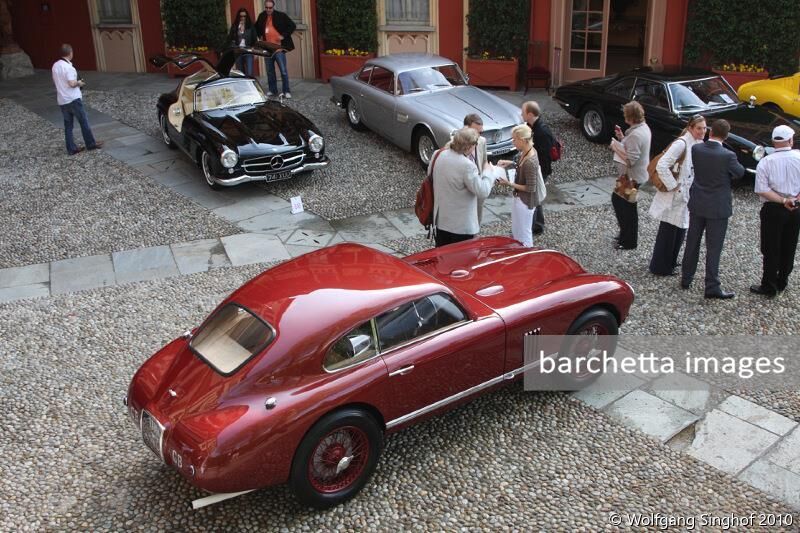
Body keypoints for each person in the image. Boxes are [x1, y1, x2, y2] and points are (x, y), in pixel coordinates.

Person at [680, 119, 745, 299]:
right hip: (717, 206)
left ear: (710, 132)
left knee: (692, 242)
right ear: (726, 135)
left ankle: (686, 278)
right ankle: (711, 285)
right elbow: (739, 172)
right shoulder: (728, 156)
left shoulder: (697, 149)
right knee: (713, 247)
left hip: (698, 202)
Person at [647, 115, 707, 275]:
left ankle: (671, 262)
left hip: (686, 196)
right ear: (690, 128)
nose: (702, 131)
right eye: (699, 128)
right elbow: (662, 165)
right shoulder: (681, 144)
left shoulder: (697, 143)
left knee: (679, 230)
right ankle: (660, 266)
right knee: (668, 231)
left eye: (704, 128)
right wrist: (673, 186)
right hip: (675, 195)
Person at [750, 124, 800, 297]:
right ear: (790, 140)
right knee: (789, 245)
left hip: (773, 208)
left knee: (770, 248)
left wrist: (783, 200)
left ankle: (769, 285)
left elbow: (762, 190)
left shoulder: (765, 162)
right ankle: (782, 281)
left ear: (774, 142)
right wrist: (794, 199)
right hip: (795, 208)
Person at [431, 128, 495, 247]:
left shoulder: (437, 154)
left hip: (441, 220)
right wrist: (488, 172)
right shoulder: (467, 166)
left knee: (442, 258)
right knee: (460, 261)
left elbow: (431, 176)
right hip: (461, 227)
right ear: (469, 146)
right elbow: (483, 191)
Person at [610, 101, 651, 250]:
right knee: (624, 205)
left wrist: (615, 146)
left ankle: (628, 241)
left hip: (631, 177)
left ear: (630, 117)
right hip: (636, 176)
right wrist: (622, 138)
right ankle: (625, 236)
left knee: (625, 208)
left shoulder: (636, 135)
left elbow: (630, 160)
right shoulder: (643, 128)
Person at [51, 43, 102, 155]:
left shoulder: (55, 65)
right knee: (83, 121)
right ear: (70, 53)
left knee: (68, 125)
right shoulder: (69, 68)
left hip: (62, 99)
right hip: (73, 99)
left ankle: (71, 148)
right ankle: (90, 143)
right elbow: (71, 83)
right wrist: (80, 82)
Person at [496, 124, 540, 247]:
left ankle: (527, 256)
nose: (513, 142)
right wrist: (510, 162)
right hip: (520, 198)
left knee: (524, 233)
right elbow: (520, 165)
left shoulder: (531, 161)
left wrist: (509, 183)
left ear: (522, 140)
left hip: (526, 202)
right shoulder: (526, 151)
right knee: (517, 230)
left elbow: (531, 187)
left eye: (514, 139)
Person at [521, 101, 555, 234]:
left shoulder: (542, 132)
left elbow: (545, 157)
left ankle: (534, 225)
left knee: (534, 198)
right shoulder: (533, 127)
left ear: (529, 114)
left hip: (540, 169)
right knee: (536, 197)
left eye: (523, 112)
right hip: (537, 168)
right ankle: (537, 224)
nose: (521, 114)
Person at [255, 1, 296, 98]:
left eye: (270, 8)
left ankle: (286, 91)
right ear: (265, 7)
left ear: (273, 7)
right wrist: (258, 37)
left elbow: (292, 26)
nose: (268, 10)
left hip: (278, 49)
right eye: (267, 8)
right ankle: (273, 90)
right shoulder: (262, 16)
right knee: (270, 71)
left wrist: (283, 35)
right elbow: (256, 28)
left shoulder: (281, 16)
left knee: (283, 71)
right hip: (267, 49)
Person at [228, 8, 258, 76]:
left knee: (249, 72)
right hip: (238, 51)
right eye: (241, 16)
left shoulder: (250, 26)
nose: (242, 18)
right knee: (240, 73)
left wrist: (255, 51)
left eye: (244, 16)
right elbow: (230, 38)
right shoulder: (235, 26)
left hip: (248, 50)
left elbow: (254, 39)